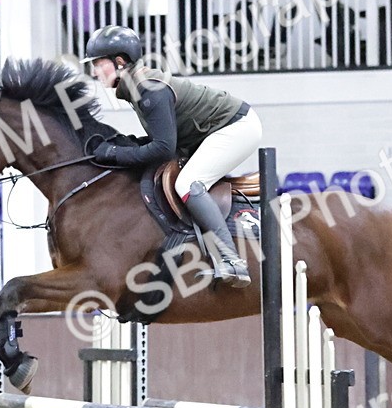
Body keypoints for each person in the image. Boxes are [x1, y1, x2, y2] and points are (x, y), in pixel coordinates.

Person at [81, 25, 261, 288]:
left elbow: (164, 149)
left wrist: (116, 153)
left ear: (119, 62)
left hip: (237, 127)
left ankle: (231, 260)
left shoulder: (147, 90)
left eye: (98, 64)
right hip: (215, 130)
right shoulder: (136, 87)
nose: (94, 71)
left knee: (188, 183)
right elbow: (162, 142)